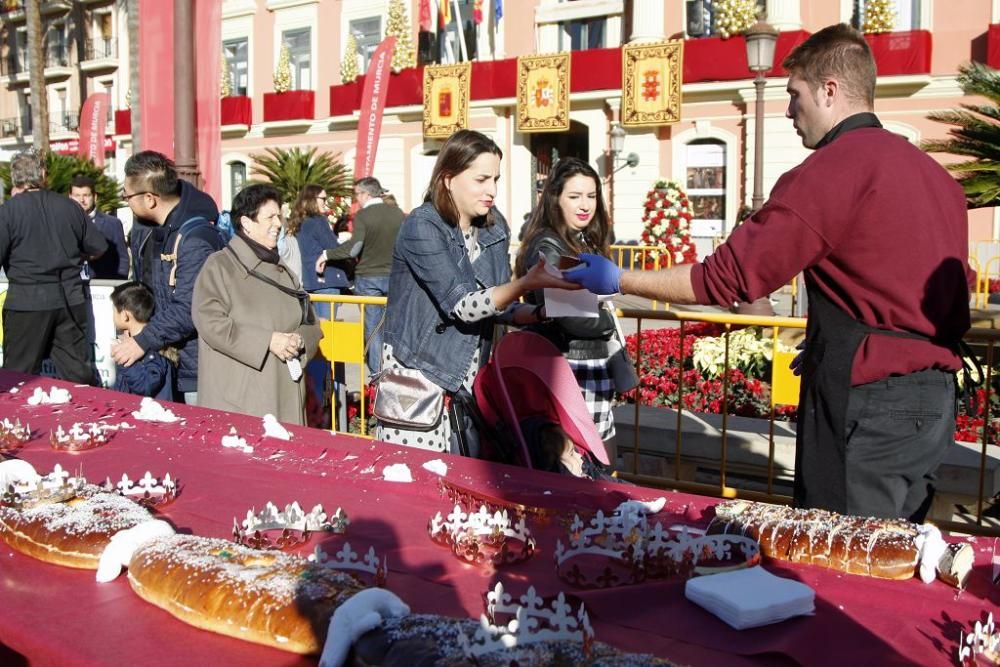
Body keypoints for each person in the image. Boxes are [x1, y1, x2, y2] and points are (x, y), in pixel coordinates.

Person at [563, 24, 972, 523]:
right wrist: (836, 341)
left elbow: (724, 280)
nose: (788, 111)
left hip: (870, 406)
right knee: (899, 557)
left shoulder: (831, 170)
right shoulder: (935, 176)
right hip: (933, 401)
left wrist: (619, 278)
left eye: (794, 95)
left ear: (829, 90)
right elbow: (916, 287)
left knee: (840, 559)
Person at [377, 129, 575, 453]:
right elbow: (463, 304)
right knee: (417, 485)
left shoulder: (494, 227)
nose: (492, 190)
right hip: (420, 376)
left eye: (496, 179)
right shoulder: (422, 225)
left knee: (462, 488)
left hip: (468, 383)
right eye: (482, 179)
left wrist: (539, 312)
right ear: (448, 178)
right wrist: (524, 284)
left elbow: (493, 305)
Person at [514, 157, 623, 453]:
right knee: (588, 459)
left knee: (594, 457)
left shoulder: (578, 238)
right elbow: (571, 316)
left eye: (591, 196)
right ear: (555, 199)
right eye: (574, 197)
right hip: (574, 364)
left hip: (585, 362)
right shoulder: (550, 244)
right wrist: (608, 322)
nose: (585, 205)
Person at [193, 184, 322, 425]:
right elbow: (210, 323)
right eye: (270, 217)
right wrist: (268, 341)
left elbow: (311, 321)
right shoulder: (219, 266)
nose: (278, 224)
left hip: (286, 394)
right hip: (242, 403)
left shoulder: (284, 269)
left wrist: (300, 340)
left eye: (279, 216)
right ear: (247, 223)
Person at [113, 151, 224, 405]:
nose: (125, 201)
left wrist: (142, 341)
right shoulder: (148, 228)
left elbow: (189, 308)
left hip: (194, 369)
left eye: (127, 196)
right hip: (163, 359)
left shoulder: (194, 239)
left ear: (150, 199)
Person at [0, 152, 107, 383]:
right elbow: (98, 247)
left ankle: (15, 420)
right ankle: (87, 415)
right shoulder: (70, 207)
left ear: (15, 179)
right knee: (77, 374)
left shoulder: (8, 211)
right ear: (44, 175)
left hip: (27, 302)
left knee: (16, 378)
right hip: (69, 299)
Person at [316, 176, 403, 375]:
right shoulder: (397, 213)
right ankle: (393, 370)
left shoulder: (364, 215)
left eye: (356, 195)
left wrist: (327, 254)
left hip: (368, 277)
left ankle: (376, 375)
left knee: (373, 328)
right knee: (393, 326)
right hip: (394, 276)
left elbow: (354, 248)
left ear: (365, 193)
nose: (357, 200)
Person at [289, 184, 350, 429]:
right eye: (324, 198)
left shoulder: (298, 223)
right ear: (312, 200)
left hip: (310, 285)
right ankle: (330, 399)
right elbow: (335, 247)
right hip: (326, 284)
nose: (327, 204)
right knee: (328, 342)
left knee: (316, 339)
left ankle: (317, 395)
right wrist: (344, 241)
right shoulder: (318, 221)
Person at [110, 281, 173, 400]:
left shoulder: (153, 351)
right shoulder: (131, 342)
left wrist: (123, 360)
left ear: (125, 316)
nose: (112, 316)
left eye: (114, 311)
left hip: (149, 415)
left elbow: (146, 386)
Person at [69, 175, 128, 280]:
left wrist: (118, 286)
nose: (81, 200)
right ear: (70, 197)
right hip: (73, 286)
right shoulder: (62, 223)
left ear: (95, 197)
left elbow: (122, 259)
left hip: (104, 286)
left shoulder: (113, 224)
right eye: (77, 195)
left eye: (86, 195)